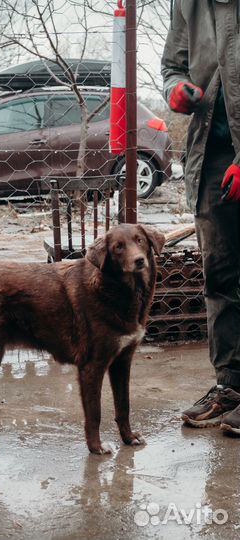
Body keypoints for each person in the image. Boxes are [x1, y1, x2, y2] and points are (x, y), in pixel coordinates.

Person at [162, 0, 240, 435]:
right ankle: (230, 386)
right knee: (220, 275)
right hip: (211, 154)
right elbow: (172, 67)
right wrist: (175, 89)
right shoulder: (188, 4)